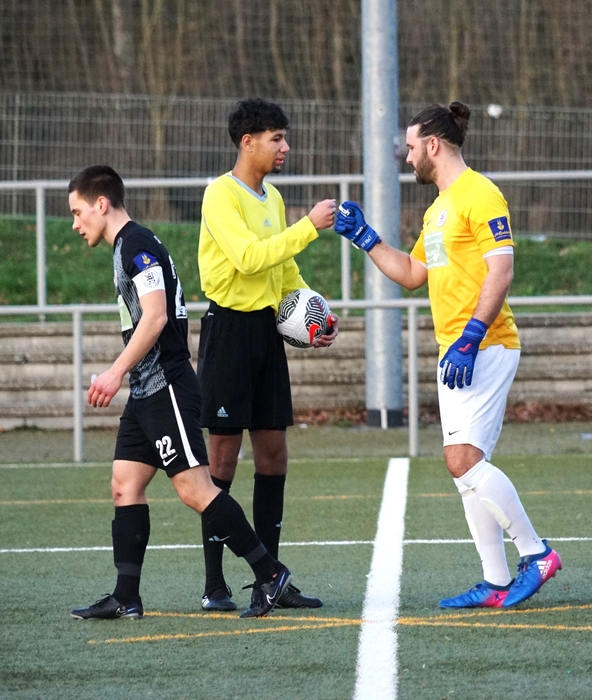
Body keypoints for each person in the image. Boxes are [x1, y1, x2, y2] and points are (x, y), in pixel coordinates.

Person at [334, 101, 561, 608]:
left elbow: (502, 269)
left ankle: (537, 553)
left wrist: (473, 335)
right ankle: (496, 582)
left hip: (484, 345)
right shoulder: (438, 209)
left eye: (410, 147)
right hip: (454, 350)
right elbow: (414, 274)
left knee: (462, 461)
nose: (407, 157)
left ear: (433, 145)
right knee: (466, 471)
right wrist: (367, 239)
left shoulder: (480, 193)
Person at [67, 165, 291, 620]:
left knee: (195, 489)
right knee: (125, 484)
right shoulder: (129, 246)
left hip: (165, 386)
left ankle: (270, 574)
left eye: (77, 212)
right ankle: (126, 596)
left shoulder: (137, 245)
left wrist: (114, 372)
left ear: (101, 204)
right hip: (146, 390)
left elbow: (156, 317)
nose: (75, 223)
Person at [196, 98, 338, 612]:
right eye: (277, 138)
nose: (285, 147)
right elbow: (248, 258)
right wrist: (309, 226)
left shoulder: (273, 198)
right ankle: (214, 585)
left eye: (284, 137)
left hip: (265, 335)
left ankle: (268, 581)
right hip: (228, 332)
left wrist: (316, 313)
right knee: (221, 459)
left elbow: (284, 273)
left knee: (274, 453)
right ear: (248, 141)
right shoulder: (220, 194)